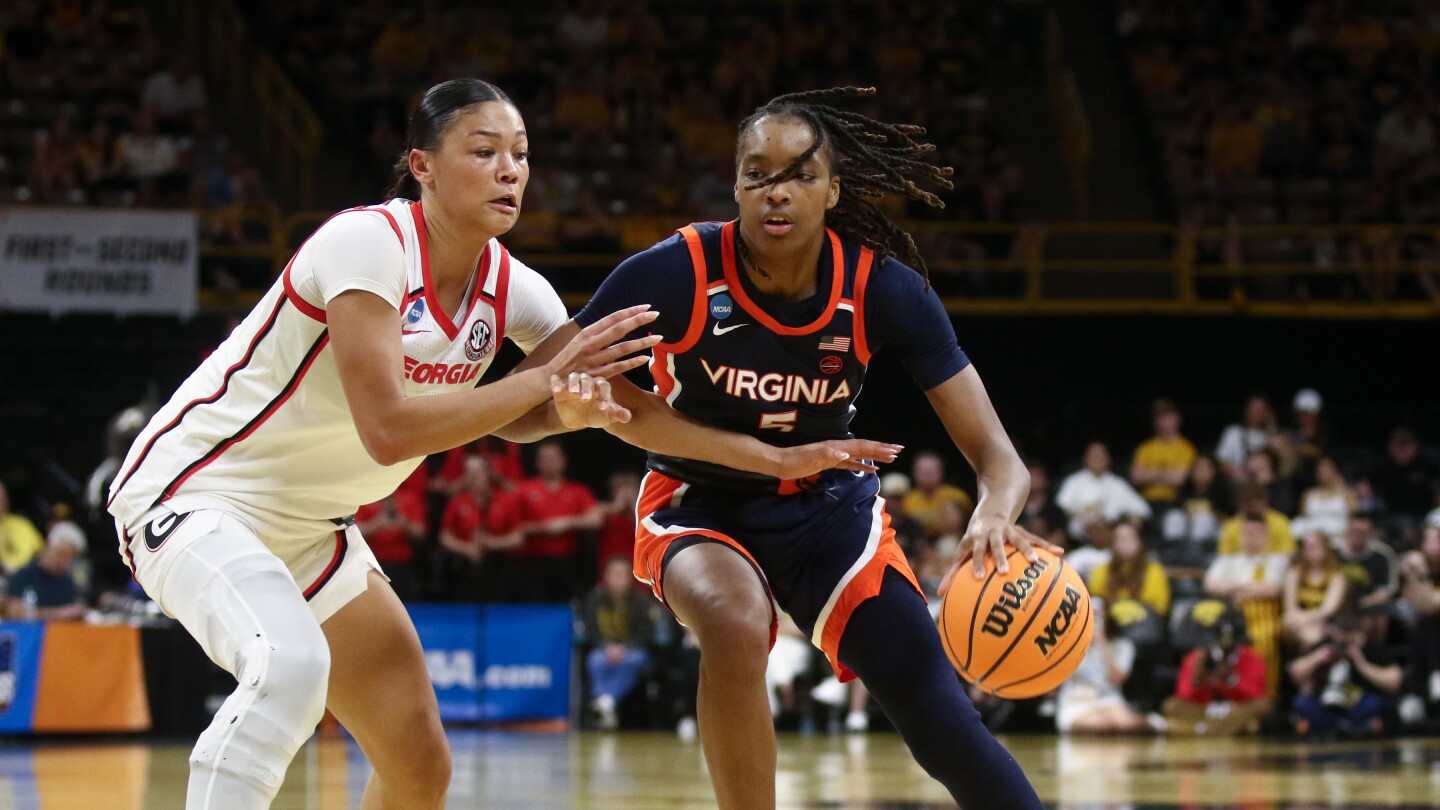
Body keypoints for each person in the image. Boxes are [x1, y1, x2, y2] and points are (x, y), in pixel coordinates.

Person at [105, 79, 888, 810]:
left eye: (519, 154)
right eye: (483, 151)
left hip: (311, 531)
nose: (509, 169)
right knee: (290, 669)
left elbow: (579, 413)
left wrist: (595, 417)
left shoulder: (516, 289)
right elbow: (391, 430)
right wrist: (544, 385)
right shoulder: (366, 244)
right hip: (195, 493)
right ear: (423, 167)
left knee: (418, 763)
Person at [554, 87, 1051, 810]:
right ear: (735, 186)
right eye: (757, 174)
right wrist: (577, 404)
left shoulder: (883, 288)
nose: (775, 193)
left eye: (798, 174)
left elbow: (999, 457)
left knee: (940, 719)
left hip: (830, 513)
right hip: (700, 505)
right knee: (732, 621)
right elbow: (552, 387)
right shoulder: (675, 272)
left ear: (833, 189)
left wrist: (995, 512)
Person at [1205, 517, 1289, 697]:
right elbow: (1210, 585)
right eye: (1248, 533)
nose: (1252, 537)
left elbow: (1272, 589)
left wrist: (1234, 587)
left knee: (1263, 639)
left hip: (1264, 619)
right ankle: (1231, 698)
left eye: (1257, 533)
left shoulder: (1275, 561)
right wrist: (1251, 588)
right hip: (1231, 616)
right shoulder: (1227, 560)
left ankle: (1265, 697)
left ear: (1266, 537)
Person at [1288, 611, 1402, 738]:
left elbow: (1395, 681)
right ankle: (1337, 726)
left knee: (1376, 703)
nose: (1344, 644)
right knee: (1301, 702)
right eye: (1341, 638)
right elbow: (1294, 672)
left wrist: (1362, 664)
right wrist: (1317, 658)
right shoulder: (1325, 646)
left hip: (1358, 705)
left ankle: (1353, 726)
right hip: (1325, 706)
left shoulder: (1371, 649)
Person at [1055, 598, 1155, 734]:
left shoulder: (1122, 645)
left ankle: (1155, 722)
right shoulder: (1067, 645)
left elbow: (1118, 679)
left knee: (1128, 724)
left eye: (1098, 616)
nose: (1095, 620)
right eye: (1091, 615)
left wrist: (1102, 644)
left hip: (1108, 700)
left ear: (1107, 618)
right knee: (1101, 725)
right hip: (1076, 701)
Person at [1162, 615, 1271, 736]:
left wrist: (1230, 680)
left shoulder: (1254, 658)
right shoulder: (1198, 657)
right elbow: (1183, 695)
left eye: (1231, 646)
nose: (1225, 648)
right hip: (1204, 710)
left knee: (1261, 707)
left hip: (1235, 709)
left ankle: (1197, 730)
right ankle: (1220, 730)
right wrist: (1199, 679)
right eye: (1221, 645)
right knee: (1171, 705)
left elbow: (1256, 695)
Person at [582, 556, 657, 730]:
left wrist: (625, 648)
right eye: (614, 575)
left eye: (622, 575)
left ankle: (604, 700)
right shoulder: (595, 599)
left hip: (632, 650)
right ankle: (606, 703)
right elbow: (590, 629)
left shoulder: (640, 601)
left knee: (634, 661)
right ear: (606, 577)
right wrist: (605, 646)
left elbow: (646, 633)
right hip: (604, 649)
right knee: (595, 661)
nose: (619, 580)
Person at [1056, 441, 1151, 543]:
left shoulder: (1118, 484)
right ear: (1085, 459)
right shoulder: (1073, 481)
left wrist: (1126, 529)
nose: (1097, 460)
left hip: (1112, 539)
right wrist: (1087, 520)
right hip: (1078, 539)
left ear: (1108, 459)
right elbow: (1060, 508)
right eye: (1093, 456)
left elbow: (1142, 510)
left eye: (1101, 456)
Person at [1282, 530, 1349, 650]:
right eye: (1306, 547)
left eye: (1315, 546)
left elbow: (1329, 608)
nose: (1310, 550)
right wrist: (1296, 618)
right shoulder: (1295, 571)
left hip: (1323, 622)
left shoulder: (1335, 575)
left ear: (1325, 548)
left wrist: (1304, 619)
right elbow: (1289, 603)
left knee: (1314, 635)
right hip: (1296, 620)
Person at [1088, 522, 1171, 617]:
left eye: (1130, 538)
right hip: (1110, 621)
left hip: (1144, 620)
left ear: (1139, 542)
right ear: (1113, 544)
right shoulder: (1101, 571)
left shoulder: (1154, 570)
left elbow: (1161, 607)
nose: (1126, 543)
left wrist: (1132, 608)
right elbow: (1095, 599)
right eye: (1121, 539)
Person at [3, 530, 87, 621]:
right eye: (59, 555)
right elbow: (13, 612)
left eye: (68, 558)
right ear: (47, 548)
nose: (62, 562)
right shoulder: (25, 575)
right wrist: (57, 614)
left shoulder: (67, 583)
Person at [1129, 398, 1196, 506]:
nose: (1162, 421)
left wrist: (1149, 474)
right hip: (1146, 502)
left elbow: (1179, 479)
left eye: (1167, 416)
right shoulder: (1145, 448)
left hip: (1175, 502)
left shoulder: (1187, 448)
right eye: (1158, 417)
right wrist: (1167, 473)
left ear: (1177, 419)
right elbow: (1136, 477)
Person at [902, 450, 974, 539]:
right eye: (922, 471)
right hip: (918, 543)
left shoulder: (956, 495)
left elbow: (970, 521)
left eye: (931, 470)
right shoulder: (907, 500)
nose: (927, 474)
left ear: (941, 471)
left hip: (949, 540)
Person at [1293, 457, 1355, 541]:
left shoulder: (1347, 494)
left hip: (1340, 539)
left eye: (1326, 469)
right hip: (1313, 540)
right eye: (1320, 470)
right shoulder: (1308, 495)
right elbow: (1303, 519)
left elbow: (1354, 520)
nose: (1323, 473)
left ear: (1335, 472)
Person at [0, 481, 45, 577]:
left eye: (1, 499)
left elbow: (41, 552)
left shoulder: (22, 524)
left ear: (7, 501)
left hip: (24, 578)